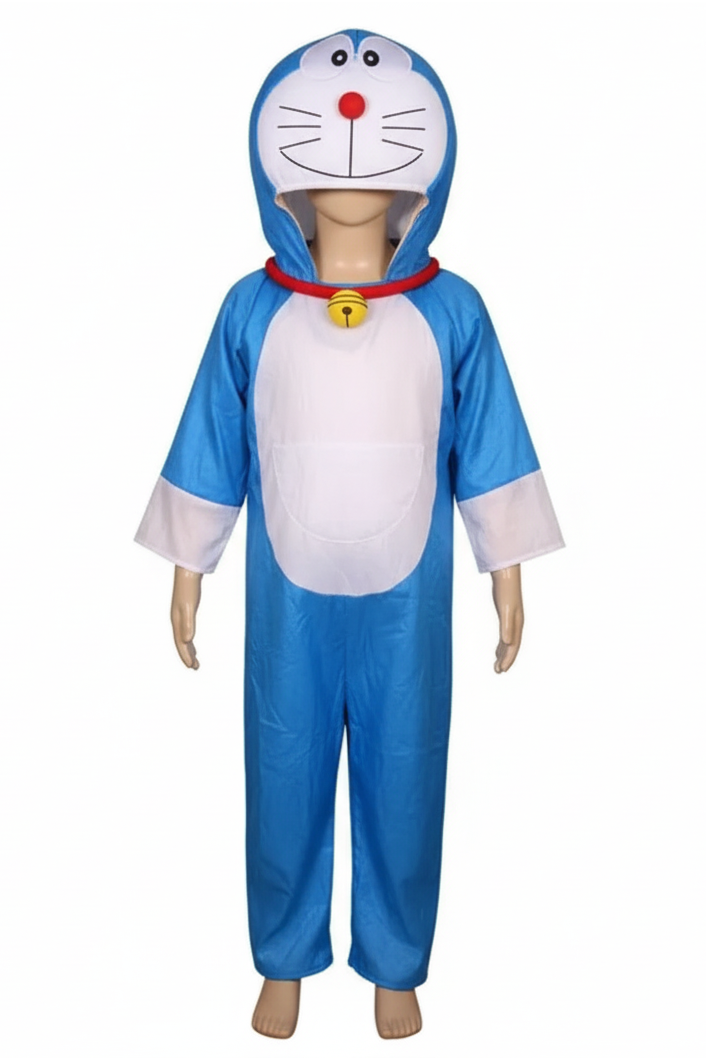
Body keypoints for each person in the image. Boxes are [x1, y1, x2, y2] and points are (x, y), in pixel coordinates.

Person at [135, 30, 564, 1039]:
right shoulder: (250, 309)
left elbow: (489, 440)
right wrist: (190, 562)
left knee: (406, 768)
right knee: (280, 767)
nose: (358, 131)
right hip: (285, 598)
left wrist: (505, 566)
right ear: (274, 171)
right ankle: (282, 958)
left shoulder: (453, 310)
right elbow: (214, 435)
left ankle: (395, 964)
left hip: (408, 600)